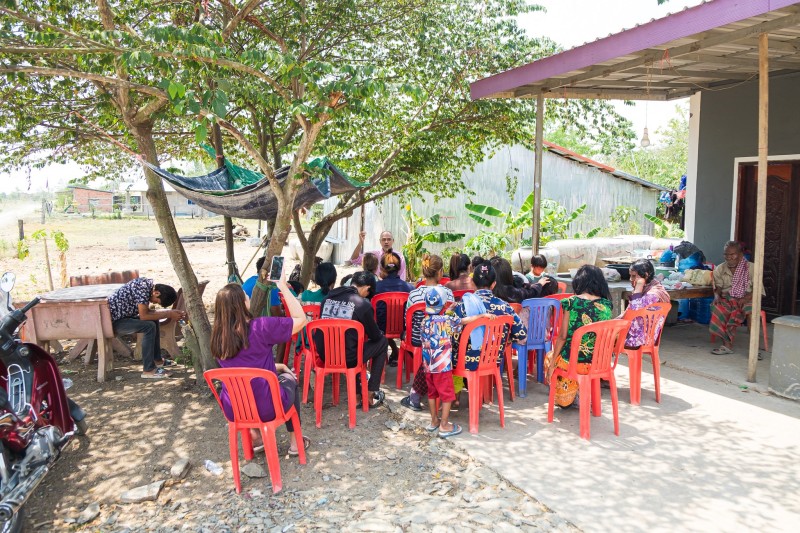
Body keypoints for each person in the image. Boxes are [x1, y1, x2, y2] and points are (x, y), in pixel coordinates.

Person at [210, 280, 310, 455]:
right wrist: (282, 286)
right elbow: (300, 320)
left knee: (248, 389)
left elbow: (242, 366)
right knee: (289, 379)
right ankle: (295, 442)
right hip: (266, 407)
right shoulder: (261, 327)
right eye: (245, 295)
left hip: (234, 409)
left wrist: (277, 365)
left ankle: (255, 436)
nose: (248, 296)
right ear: (243, 303)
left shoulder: (218, 337)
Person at [420, 287, 494, 438]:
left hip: (428, 365)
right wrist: (482, 314)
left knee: (432, 393)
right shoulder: (447, 320)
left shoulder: (424, 321)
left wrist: (447, 311)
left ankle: (434, 421)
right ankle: (445, 425)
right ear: (442, 306)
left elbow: (438, 321)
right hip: (443, 366)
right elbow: (464, 321)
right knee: (447, 395)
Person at [316, 271, 387, 407]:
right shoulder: (362, 305)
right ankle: (370, 394)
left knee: (351, 343)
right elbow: (375, 336)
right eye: (368, 294)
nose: (367, 297)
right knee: (381, 342)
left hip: (326, 355)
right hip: (349, 358)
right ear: (367, 288)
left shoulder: (327, 299)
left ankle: (356, 396)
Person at [546, 265, 613, 408]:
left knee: (549, 356)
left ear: (579, 282)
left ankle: (568, 396)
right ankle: (580, 392)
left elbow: (563, 337)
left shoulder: (571, 302)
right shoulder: (607, 305)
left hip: (573, 363)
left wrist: (552, 365)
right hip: (598, 363)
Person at [449, 261, 527, 372]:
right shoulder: (504, 307)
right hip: (493, 360)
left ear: (472, 282)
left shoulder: (463, 305)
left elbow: (453, 334)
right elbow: (522, 333)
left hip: (466, 362)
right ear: (494, 284)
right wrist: (505, 338)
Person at [400, 254, 454, 411]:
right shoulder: (448, 293)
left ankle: (415, 395)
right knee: (435, 349)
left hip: (418, 338)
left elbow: (407, 321)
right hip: (443, 339)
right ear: (440, 273)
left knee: (425, 351)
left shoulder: (414, 294)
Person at [108, 277, 182, 379]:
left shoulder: (145, 287)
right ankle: (148, 370)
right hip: (113, 323)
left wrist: (169, 313)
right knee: (149, 326)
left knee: (154, 321)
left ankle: (157, 360)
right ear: (156, 293)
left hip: (122, 318)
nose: (155, 303)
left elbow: (149, 314)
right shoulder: (142, 289)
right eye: (157, 302)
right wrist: (169, 313)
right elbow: (144, 316)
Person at [710, 241, 754, 355]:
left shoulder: (751, 268)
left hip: (747, 298)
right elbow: (718, 287)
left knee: (752, 313)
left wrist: (745, 298)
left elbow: (759, 290)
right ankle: (726, 345)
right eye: (726, 254)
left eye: (732, 254)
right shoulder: (720, 268)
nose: (729, 257)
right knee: (718, 308)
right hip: (727, 298)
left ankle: (754, 348)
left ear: (740, 254)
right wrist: (716, 296)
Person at [375, 252, 414, 367]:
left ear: (382, 268)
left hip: (380, 328)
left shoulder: (376, 287)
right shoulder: (410, 288)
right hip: (403, 329)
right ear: (399, 268)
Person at [623, 259, 670, 348]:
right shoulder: (646, 289)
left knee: (603, 341)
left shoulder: (654, 293)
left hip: (641, 339)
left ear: (646, 275)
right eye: (630, 276)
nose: (630, 279)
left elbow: (634, 310)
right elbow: (627, 313)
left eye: (633, 276)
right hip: (635, 335)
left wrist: (639, 284)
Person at [490, 256, 555, 303]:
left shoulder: (484, 292)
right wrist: (539, 284)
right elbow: (530, 293)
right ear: (509, 274)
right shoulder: (512, 291)